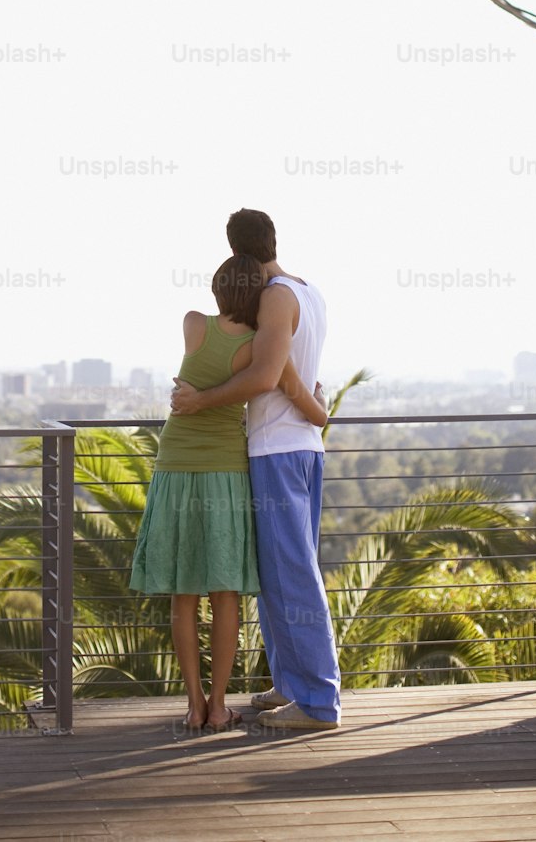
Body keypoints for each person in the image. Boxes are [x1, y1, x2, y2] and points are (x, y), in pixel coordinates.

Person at [130, 253, 327, 733]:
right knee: (226, 595)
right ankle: (220, 706)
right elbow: (276, 380)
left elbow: (208, 369)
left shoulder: (192, 323)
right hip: (229, 467)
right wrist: (320, 410)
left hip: (176, 463)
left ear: (216, 292)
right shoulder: (263, 342)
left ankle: (195, 705)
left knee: (183, 593)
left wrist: (194, 397)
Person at [170, 208, 342, 731]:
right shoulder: (308, 290)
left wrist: (200, 401)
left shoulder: (273, 296)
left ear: (235, 250)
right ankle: (292, 685)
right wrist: (317, 411)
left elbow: (267, 376)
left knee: (292, 574)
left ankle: (317, 702)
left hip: (277, 451)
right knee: (279, 574)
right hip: (304, 447)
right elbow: (292, 377)